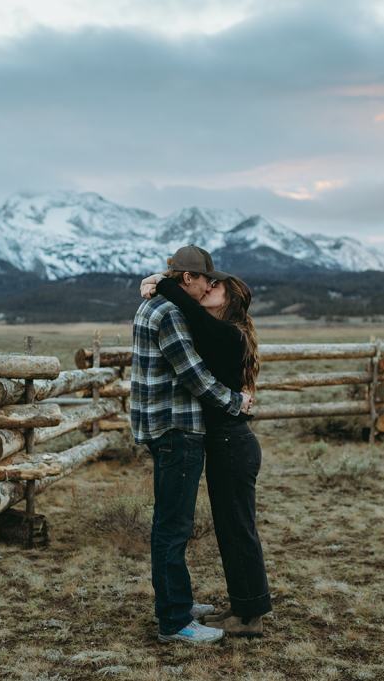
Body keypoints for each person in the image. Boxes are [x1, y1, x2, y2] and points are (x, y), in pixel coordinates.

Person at [130, 245, 253, 645]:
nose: (207, 287)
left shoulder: (160, 303)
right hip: (176, 430)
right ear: (188, 278)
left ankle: (176, 602)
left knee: (171, 523)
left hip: (164, 428)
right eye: (205, 280)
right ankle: (175, 620)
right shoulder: (169, 313)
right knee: (173, 526)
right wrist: (236, 403)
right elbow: (194, 376)